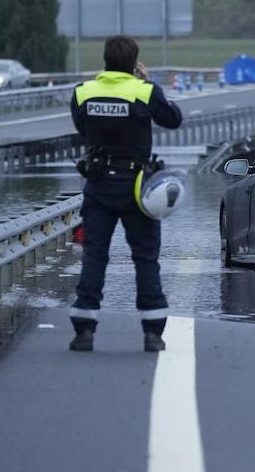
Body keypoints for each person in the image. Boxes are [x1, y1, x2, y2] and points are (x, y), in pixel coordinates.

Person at [68, 36, 182, 352]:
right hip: (137, 186)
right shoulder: (144, 91)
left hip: (98, 183)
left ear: (105, 60)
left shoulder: (83, 92)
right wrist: (148, 83)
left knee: (94, 255)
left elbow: (82, 129)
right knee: (145, 257)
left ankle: (84, 331)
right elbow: (173, 119)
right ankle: (153, 334)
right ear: (134, 63)